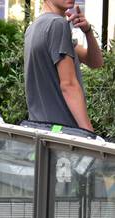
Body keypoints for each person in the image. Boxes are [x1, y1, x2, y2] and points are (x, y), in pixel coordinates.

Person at [24, 0, 104, 135]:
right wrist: (90, 134)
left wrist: (88, 31)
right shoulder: (58, 25)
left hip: (40, 132)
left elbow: (95, 62)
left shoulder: (33, 28)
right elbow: (69, 85)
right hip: (64, 135)